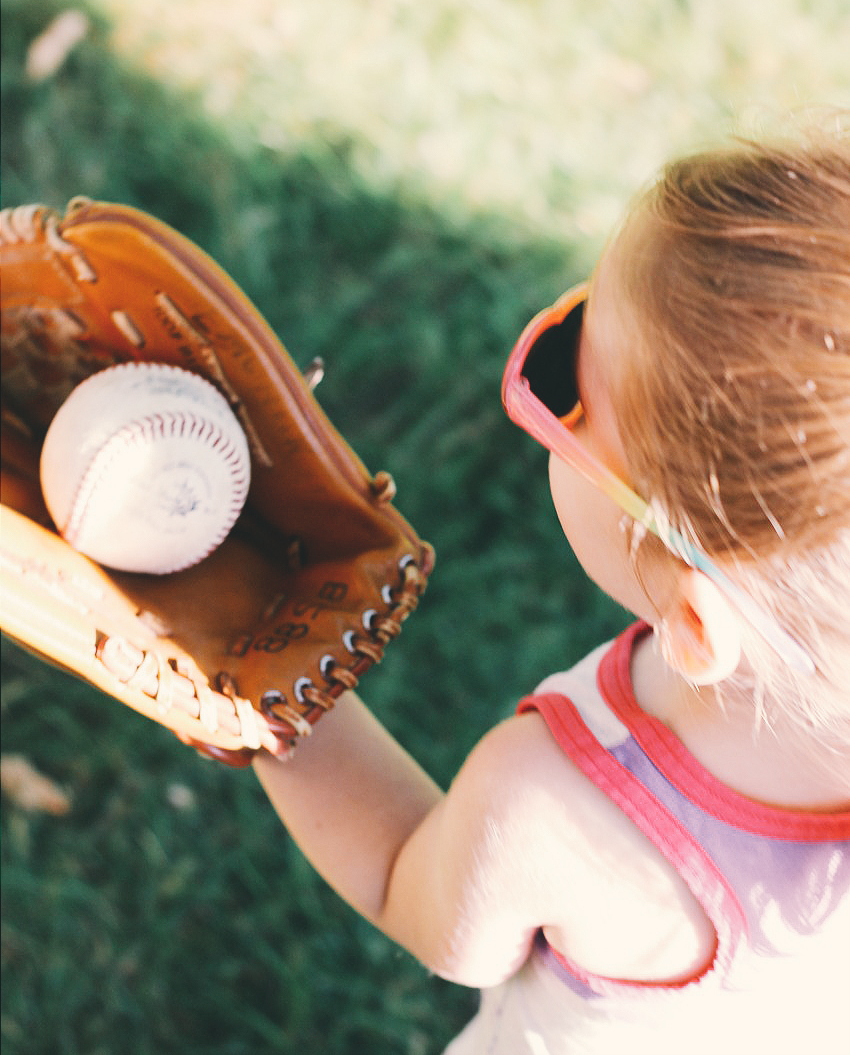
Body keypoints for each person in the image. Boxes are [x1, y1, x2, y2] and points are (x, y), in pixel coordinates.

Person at [254, 129, 850, 1055]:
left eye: (562, 377)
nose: (541, 354)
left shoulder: (549, 801)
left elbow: (406, 881)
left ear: (697, 621)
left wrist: (267, 679)